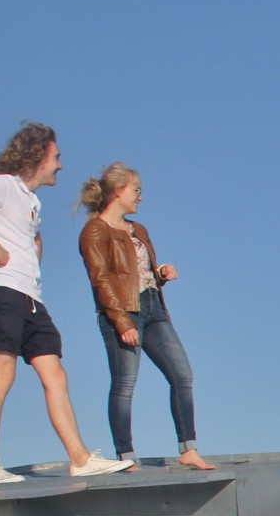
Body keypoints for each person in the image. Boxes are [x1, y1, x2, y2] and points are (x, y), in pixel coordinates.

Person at [0, 122, 130, 483]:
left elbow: (34, 238)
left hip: (30, 298)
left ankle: (79, 458)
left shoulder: (32, 201)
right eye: (56, 157)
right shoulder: (3, 185)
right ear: (38, 156)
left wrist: (33, 256)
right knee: (3, 374)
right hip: (1, 292)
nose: (60, 165)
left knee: (55, 373)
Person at [76, 163, 215, 471]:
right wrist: (122, 321)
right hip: (122, 312)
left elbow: (137, 274)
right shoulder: (95, 230)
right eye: (136, 190)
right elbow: (101, 280)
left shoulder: (139, 230)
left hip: (154, 308)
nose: (140, 197)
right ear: (118, 191)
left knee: (182, 375)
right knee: (125, 383)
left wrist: (161, 274)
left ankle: (188, 449)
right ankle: (126, 457)